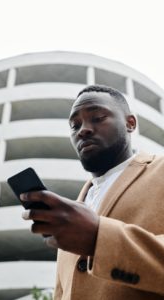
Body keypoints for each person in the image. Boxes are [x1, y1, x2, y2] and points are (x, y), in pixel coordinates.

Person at [21, 84, 164, 300]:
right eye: (74, 125)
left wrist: (99, 237)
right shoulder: (70, 214)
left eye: (97, 118)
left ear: (130, 123)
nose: (83, 129)